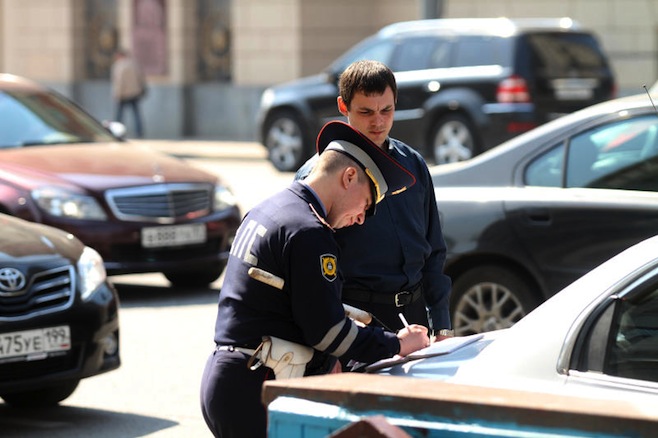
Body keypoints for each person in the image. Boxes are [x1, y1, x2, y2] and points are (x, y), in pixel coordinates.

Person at [200, 120, 430, 438]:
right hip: (257, 388)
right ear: (349, 177)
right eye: (366, 203)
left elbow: (291, 305)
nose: (361, 217)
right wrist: (398, 343)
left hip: (234, 380)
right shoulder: (309, 232)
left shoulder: (272, 209)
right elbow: (327, 333)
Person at [296, 60, 453, 340]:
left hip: (415, 317)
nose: (378, 121)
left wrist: (441, 324)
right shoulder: (318, 176)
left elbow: (434, 251)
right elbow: (308, 274)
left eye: (387, 110)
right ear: (343, 107)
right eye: (366, 112)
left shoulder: (414, 164)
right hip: (358, 321)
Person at [111, 48, 146, 137]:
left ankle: (116, 133)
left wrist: (117, 94)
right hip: (134, 93)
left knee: (119, 115)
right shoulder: (134, 64)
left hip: (123, 94)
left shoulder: (119, 65)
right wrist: (141, 90)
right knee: (136, 114)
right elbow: (141, 78)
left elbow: (119, 82)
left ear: (119, 56)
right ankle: (139, 132)